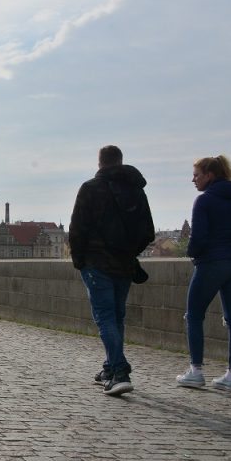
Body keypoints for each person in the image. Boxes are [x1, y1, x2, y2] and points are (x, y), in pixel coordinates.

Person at [70, 145, 155, 396]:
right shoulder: (136, 190)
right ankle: (109, 367)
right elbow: (148, 231)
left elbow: (77, 229)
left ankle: (120, 372)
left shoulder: (90, 188)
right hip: (124, 264)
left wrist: (80, 260)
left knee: (105, 318)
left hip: (97, 263)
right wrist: (129, 252)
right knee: (117, 318)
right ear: (120, 161)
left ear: (100, 163)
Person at [175, 155, 231, 393]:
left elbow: (198, 238)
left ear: (210, 175)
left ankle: (196, 371)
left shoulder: (204, 201)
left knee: (194, 316)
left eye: (197, 175)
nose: (193, 179)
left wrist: (193, 254)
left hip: (212, 263)